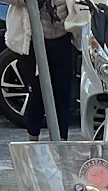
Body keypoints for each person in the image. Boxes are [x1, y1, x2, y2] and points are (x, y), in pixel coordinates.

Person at [5, 0, 80, 141]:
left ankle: (61, 146)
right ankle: (33, 142)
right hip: (32, 38)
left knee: (63, 93)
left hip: (63, 36)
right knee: (38, 92)